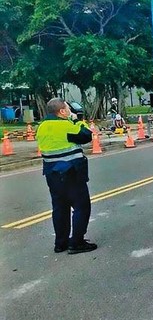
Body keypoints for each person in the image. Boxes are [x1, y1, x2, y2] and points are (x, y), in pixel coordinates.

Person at [36, 98, 97, 254]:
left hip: (52, 174)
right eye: (68, 108)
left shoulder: (41, 127)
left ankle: (60, 243)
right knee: (81, 206)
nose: (70, 111)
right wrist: (78, 121)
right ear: (62, 111)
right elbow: (86, 135)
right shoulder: (65, 125)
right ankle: (76, 242)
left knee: (60, 208)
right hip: (71, 172)